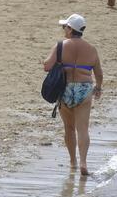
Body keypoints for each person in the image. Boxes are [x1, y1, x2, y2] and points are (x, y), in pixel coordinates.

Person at [43, 14, 103, 175]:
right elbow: (99, 73)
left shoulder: (60, 46)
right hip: (84, 88)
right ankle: (84, 162)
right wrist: (98, 88)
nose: (63, 30)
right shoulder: (91, 49)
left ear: (70, 29)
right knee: (82, 129)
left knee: (69, 128)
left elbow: (47, 66)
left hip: (65, 89)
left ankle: (72, 163)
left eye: (65, 27)